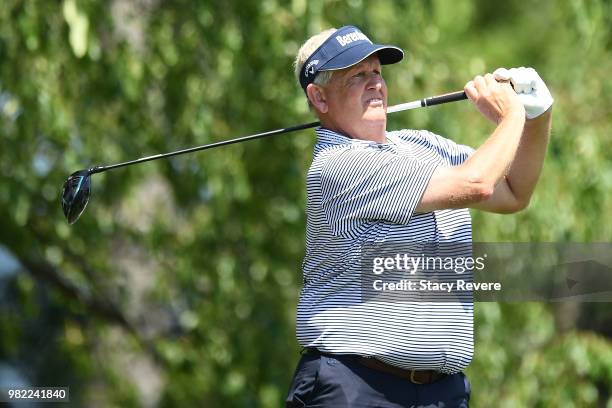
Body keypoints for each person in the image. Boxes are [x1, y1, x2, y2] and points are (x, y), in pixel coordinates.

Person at [285, 25, 553, 408]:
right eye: (357, 76)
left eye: (377, 72)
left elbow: (513, 192)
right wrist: (510, 117)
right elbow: (476, 183)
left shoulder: (422, 145)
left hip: (440, 393)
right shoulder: (337, 166)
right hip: (356, 386)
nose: (375, 83)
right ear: (319, 98)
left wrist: (537, 115)